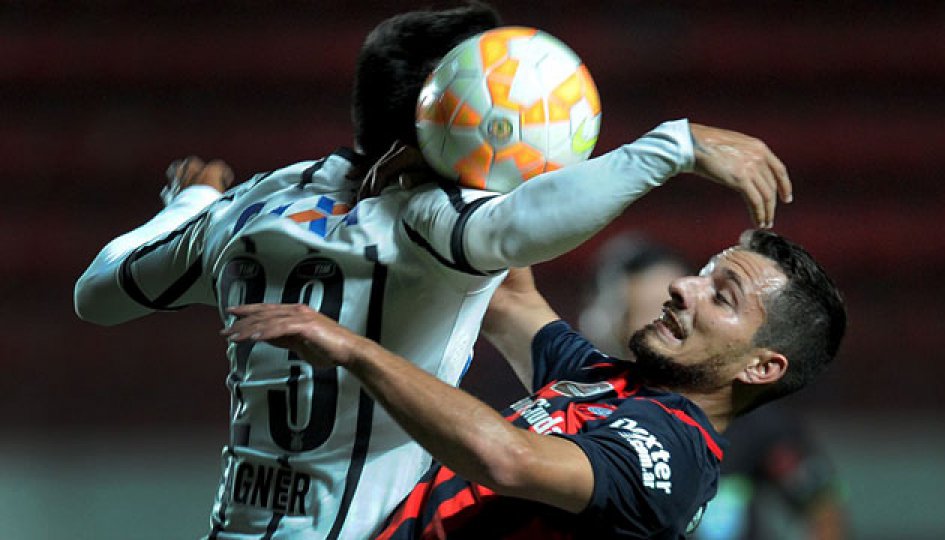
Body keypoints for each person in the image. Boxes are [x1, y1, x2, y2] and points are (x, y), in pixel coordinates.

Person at [74, 3, 793, 538]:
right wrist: (673, 146)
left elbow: (97, 295)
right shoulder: (430, 223)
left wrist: (187, 205)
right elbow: (520, 228)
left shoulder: (247, 207)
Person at [220, 228, 846, 539]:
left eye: (721, 294)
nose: (682, 288)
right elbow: (511, 298)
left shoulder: (676, 452)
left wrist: (352, 348)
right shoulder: (610, 382)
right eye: (701, 275)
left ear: (760, 367)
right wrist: (486, 162)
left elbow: (509, 458)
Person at [579, 235, 848, 539]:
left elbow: (821, 504)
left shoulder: (753, 422)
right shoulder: (582, 404)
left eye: (718, 296)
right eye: (640, 310)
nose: (674, 302)